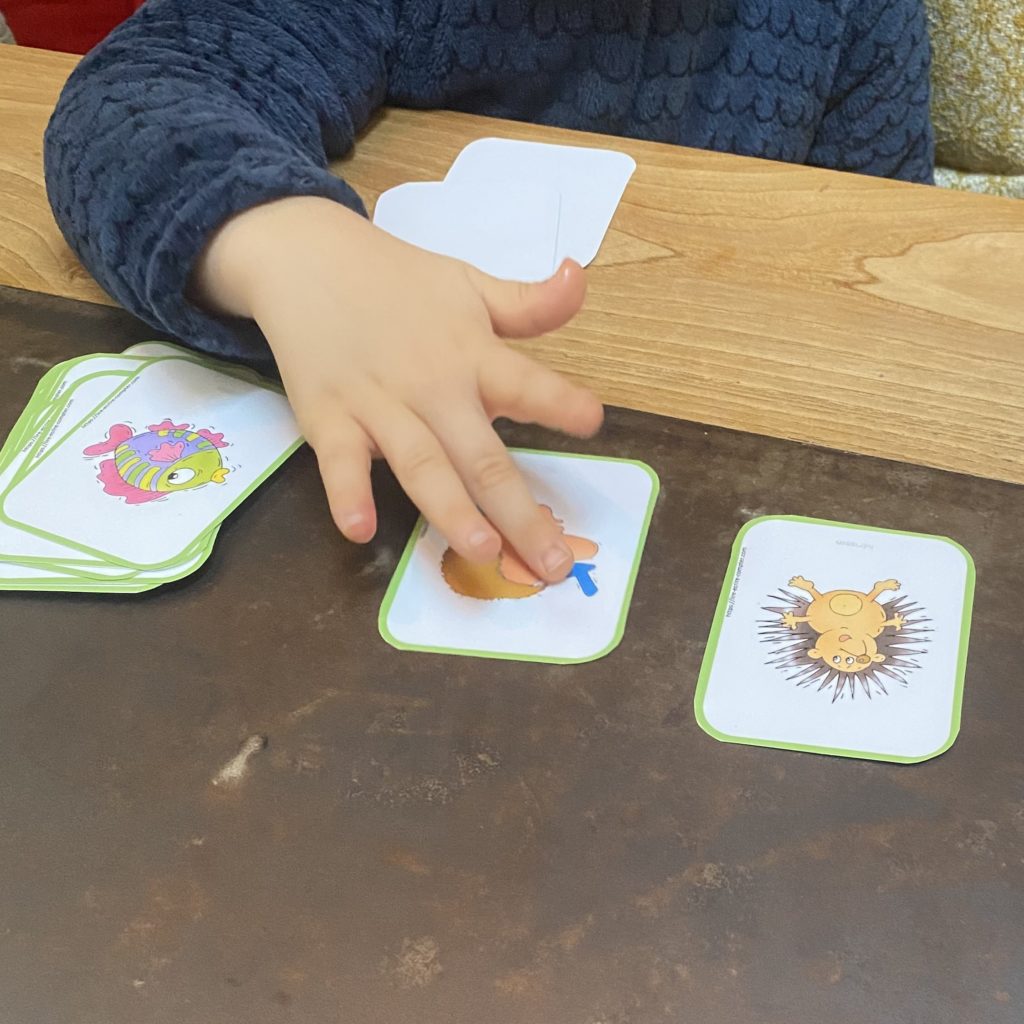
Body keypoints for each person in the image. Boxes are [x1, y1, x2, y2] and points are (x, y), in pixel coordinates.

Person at [43, 0, 934, 585]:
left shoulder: (854, 17)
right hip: (369, 508)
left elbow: (886, 275)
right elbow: (135, 97)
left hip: (721, 484)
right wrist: (285, 242)